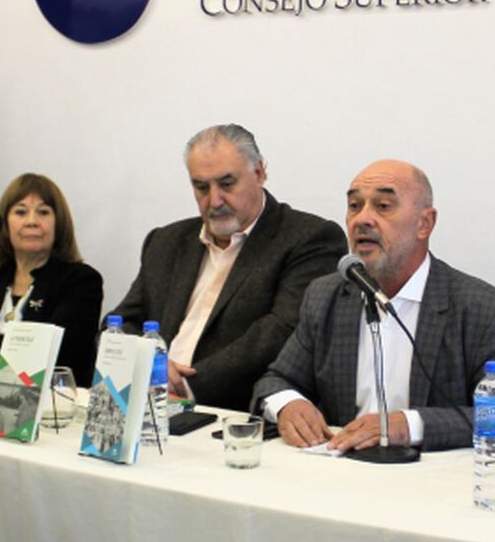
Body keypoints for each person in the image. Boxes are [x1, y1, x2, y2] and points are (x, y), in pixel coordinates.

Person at [253, 159, 495, 452]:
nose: (362, 219)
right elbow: (275, 380)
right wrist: (289, 404)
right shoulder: (326, 296)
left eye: (383, 206)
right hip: (339, 475)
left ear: (424, 224)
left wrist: (411, 425)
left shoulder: (487, 312)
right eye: (354, 206)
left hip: (432, 483)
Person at [108, 124, 345, 412]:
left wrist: (183, 386)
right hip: (148, 405)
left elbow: (280, 333)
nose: (215, 200)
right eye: (201, 187)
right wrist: (143, 362)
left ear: (259, 173)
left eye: (227, 183)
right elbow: (119, 322)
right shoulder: (166, 241)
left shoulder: (308, 238)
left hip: (232, 413)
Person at [0, 173, 103, 381]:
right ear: (6, 224)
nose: (32, 222)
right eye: (21, 212)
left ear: (58, 223)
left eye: (43, 212)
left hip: (49, 404)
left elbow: (53, 351)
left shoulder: (81, 281)